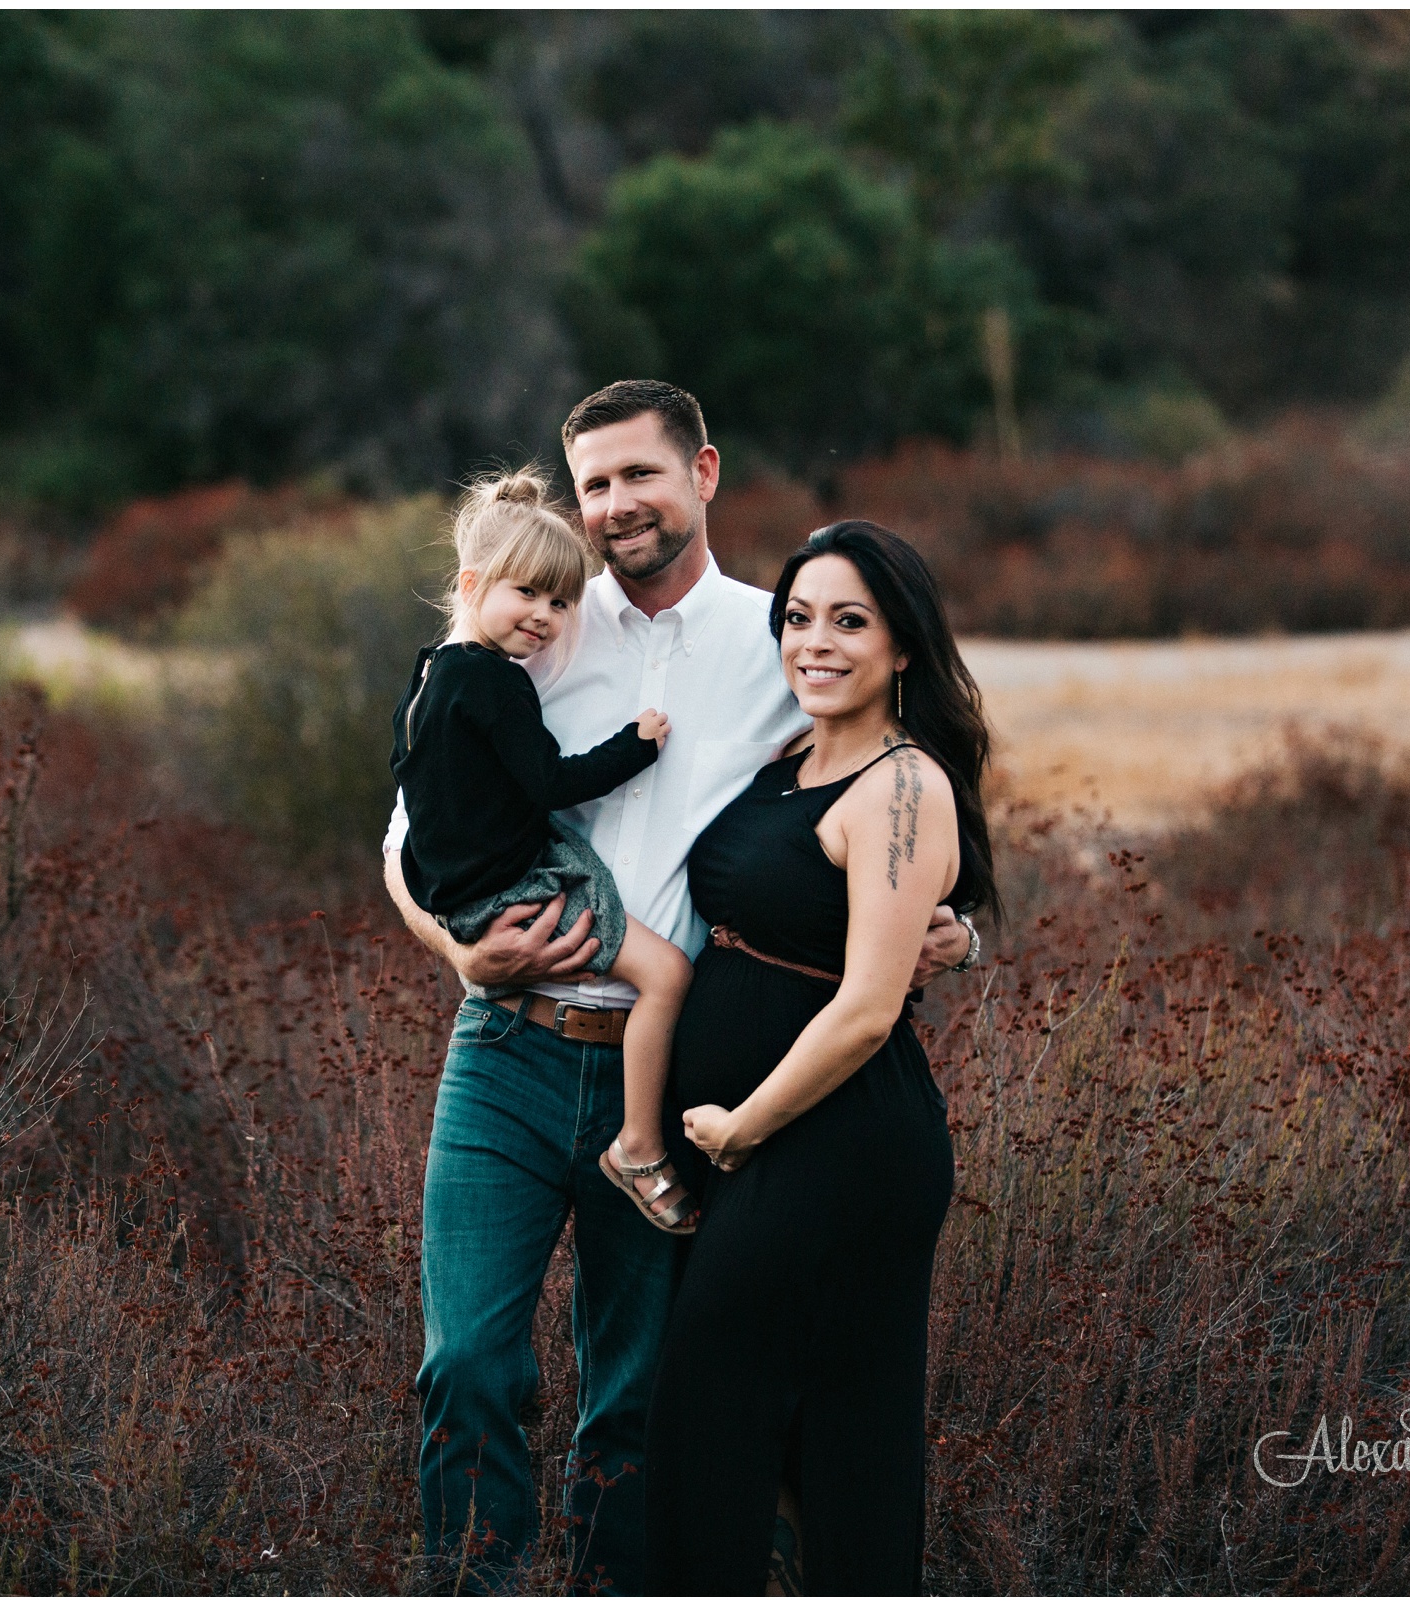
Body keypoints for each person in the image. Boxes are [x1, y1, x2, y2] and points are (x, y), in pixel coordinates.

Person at [384, 382, 977, 1591]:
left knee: (640, 1397)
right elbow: (406, 840)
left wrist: (947, 923)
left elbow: (879, 794)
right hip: (506, 1047)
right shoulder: (535, 624)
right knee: (467, 1369)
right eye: (594, 483)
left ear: (702, 472)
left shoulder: (785, 638)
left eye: (639, 475)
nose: (616, 505)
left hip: (683, 1067)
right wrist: (457, 952)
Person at [644, 520, 1000, 1596]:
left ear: (904, 647)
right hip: (750, 1141)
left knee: (719, 1409)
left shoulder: (903, 787)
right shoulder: (786, 760)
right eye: (798, 618)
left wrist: (739, 1127)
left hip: (837, 1144)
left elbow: (864, 1011)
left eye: (850, 621)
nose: (816, 642)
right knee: (831, 1434)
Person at [390, 468, 697, 1233]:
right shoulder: (497, 682)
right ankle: (640, 1144)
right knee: (665, 973)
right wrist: (639, 745)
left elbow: (417, 796)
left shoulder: (429, 675)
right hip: (513, 895)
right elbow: (551, 782)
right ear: (471, 582)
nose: (544, 617)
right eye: (525, 593)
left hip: (462, 895)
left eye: (561, 602)